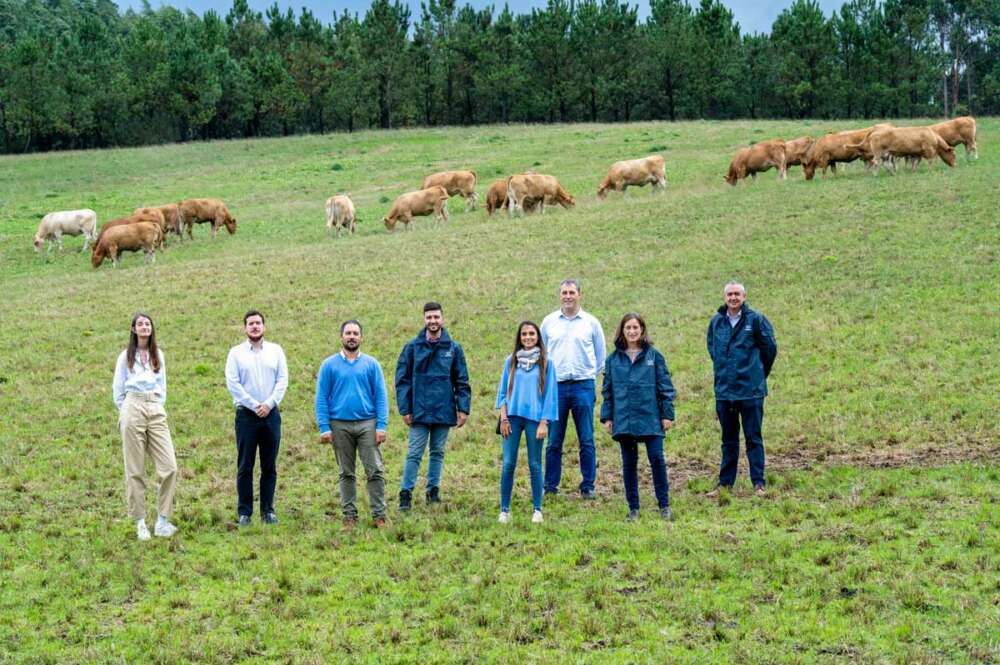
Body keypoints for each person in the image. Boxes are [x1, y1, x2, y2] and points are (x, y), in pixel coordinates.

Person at [394, 302, 471, 511]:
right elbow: (402, 381)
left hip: (444, 410)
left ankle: (433, 491)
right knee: (414, 453)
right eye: (429, 317)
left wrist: (463, 408)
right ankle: (405, 493)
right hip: (418, 411)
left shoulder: (454, 349)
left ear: (442, 319)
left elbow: (461, 380)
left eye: (436, 317)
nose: (433, 321)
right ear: (424, 320)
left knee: (437, 452)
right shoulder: (411, 348)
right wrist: (405, 409)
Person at [600, 313, 676, 521]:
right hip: (624, 418)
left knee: (657, 459)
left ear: (642, 329)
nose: (632, 331)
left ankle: (664, 505)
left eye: (635, 327)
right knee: (629, 463)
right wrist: (608, 417)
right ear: (622, 331)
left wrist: (667, 414)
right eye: (628, 328)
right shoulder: (613, 360)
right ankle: (633, 508)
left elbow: (666, 387)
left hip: (651, 417)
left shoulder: (654, 356)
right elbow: (607, 391)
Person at [705, 281, 777, 497]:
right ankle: (725, 485)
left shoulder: (756, 320)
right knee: (728, 440)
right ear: (724, 297)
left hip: (751, 391)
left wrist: (756, 373)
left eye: (737, 294)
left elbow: (770, 349)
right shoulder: (716, 322)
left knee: (753, 438)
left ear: (744, 297)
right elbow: (713, 350)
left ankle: (759, 483)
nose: (733, 298)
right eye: (729, 294)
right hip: (725, 392)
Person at [315, 320, 390, 529]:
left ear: (361, 337)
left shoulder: (371, 364)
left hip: (368, 423)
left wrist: (381, 426)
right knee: (346, 472)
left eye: (355, 333)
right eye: (348, 333)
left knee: (374, 470)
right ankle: (349, 516)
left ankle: (379, 515)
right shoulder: (329, 365)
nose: (352, 336)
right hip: (339, 425)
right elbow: (321, 397)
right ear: (341, 337)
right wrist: (324, 427)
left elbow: (381, 397)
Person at [112, 312, 179, 540]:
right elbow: (118, 389)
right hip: (133, 405)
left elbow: (163, 384)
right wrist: (126, 410)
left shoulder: (157, 354)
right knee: (135, 468)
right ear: (133, 329)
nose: (144, 327)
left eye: (147, 324)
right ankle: (140, 523)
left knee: (169, 466)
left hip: (155, 407)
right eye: (140, 324)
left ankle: (162, 521)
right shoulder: (125, 357)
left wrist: (156, 405)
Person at [541, 278, 606, 499]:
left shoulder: (591, 323)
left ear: (580, 294)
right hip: (556, 388)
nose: (567, 296)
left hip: (583, 386)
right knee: (553, 440)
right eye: (564, 293)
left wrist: (588, 376)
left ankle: (588, 485)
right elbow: (542, 354)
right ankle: (550, 486)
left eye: (571, 292)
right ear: (559, 295)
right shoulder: (549, 322)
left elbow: (600, 357)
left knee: (586, 438)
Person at [225, 310, 288, 526]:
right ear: (245, 328)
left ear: (264, 326)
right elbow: (233, 383)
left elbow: (282, 380)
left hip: (271, 416)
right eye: (251, 323)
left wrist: (269, 404)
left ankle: (267, 511)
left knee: (269, 466)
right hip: (246, 416)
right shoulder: (235, 354)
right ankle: (245, 513)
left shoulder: (276, 351)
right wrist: (254, 405)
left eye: (258, 323)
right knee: (245, 465)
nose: (255, 326)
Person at [495, 321, 559, 524]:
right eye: (524, 334)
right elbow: (502, 393)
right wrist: (503, 418)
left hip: (535, 419)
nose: (528, 337)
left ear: (537, 336)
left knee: (534, 464)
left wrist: (544, 422)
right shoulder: (511, 361)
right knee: (508, 464)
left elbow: (550, 396)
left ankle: (537, 509)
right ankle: (504, 510)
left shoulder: (546, 364)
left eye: (532, 333)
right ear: (519, 337)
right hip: (512, 418)